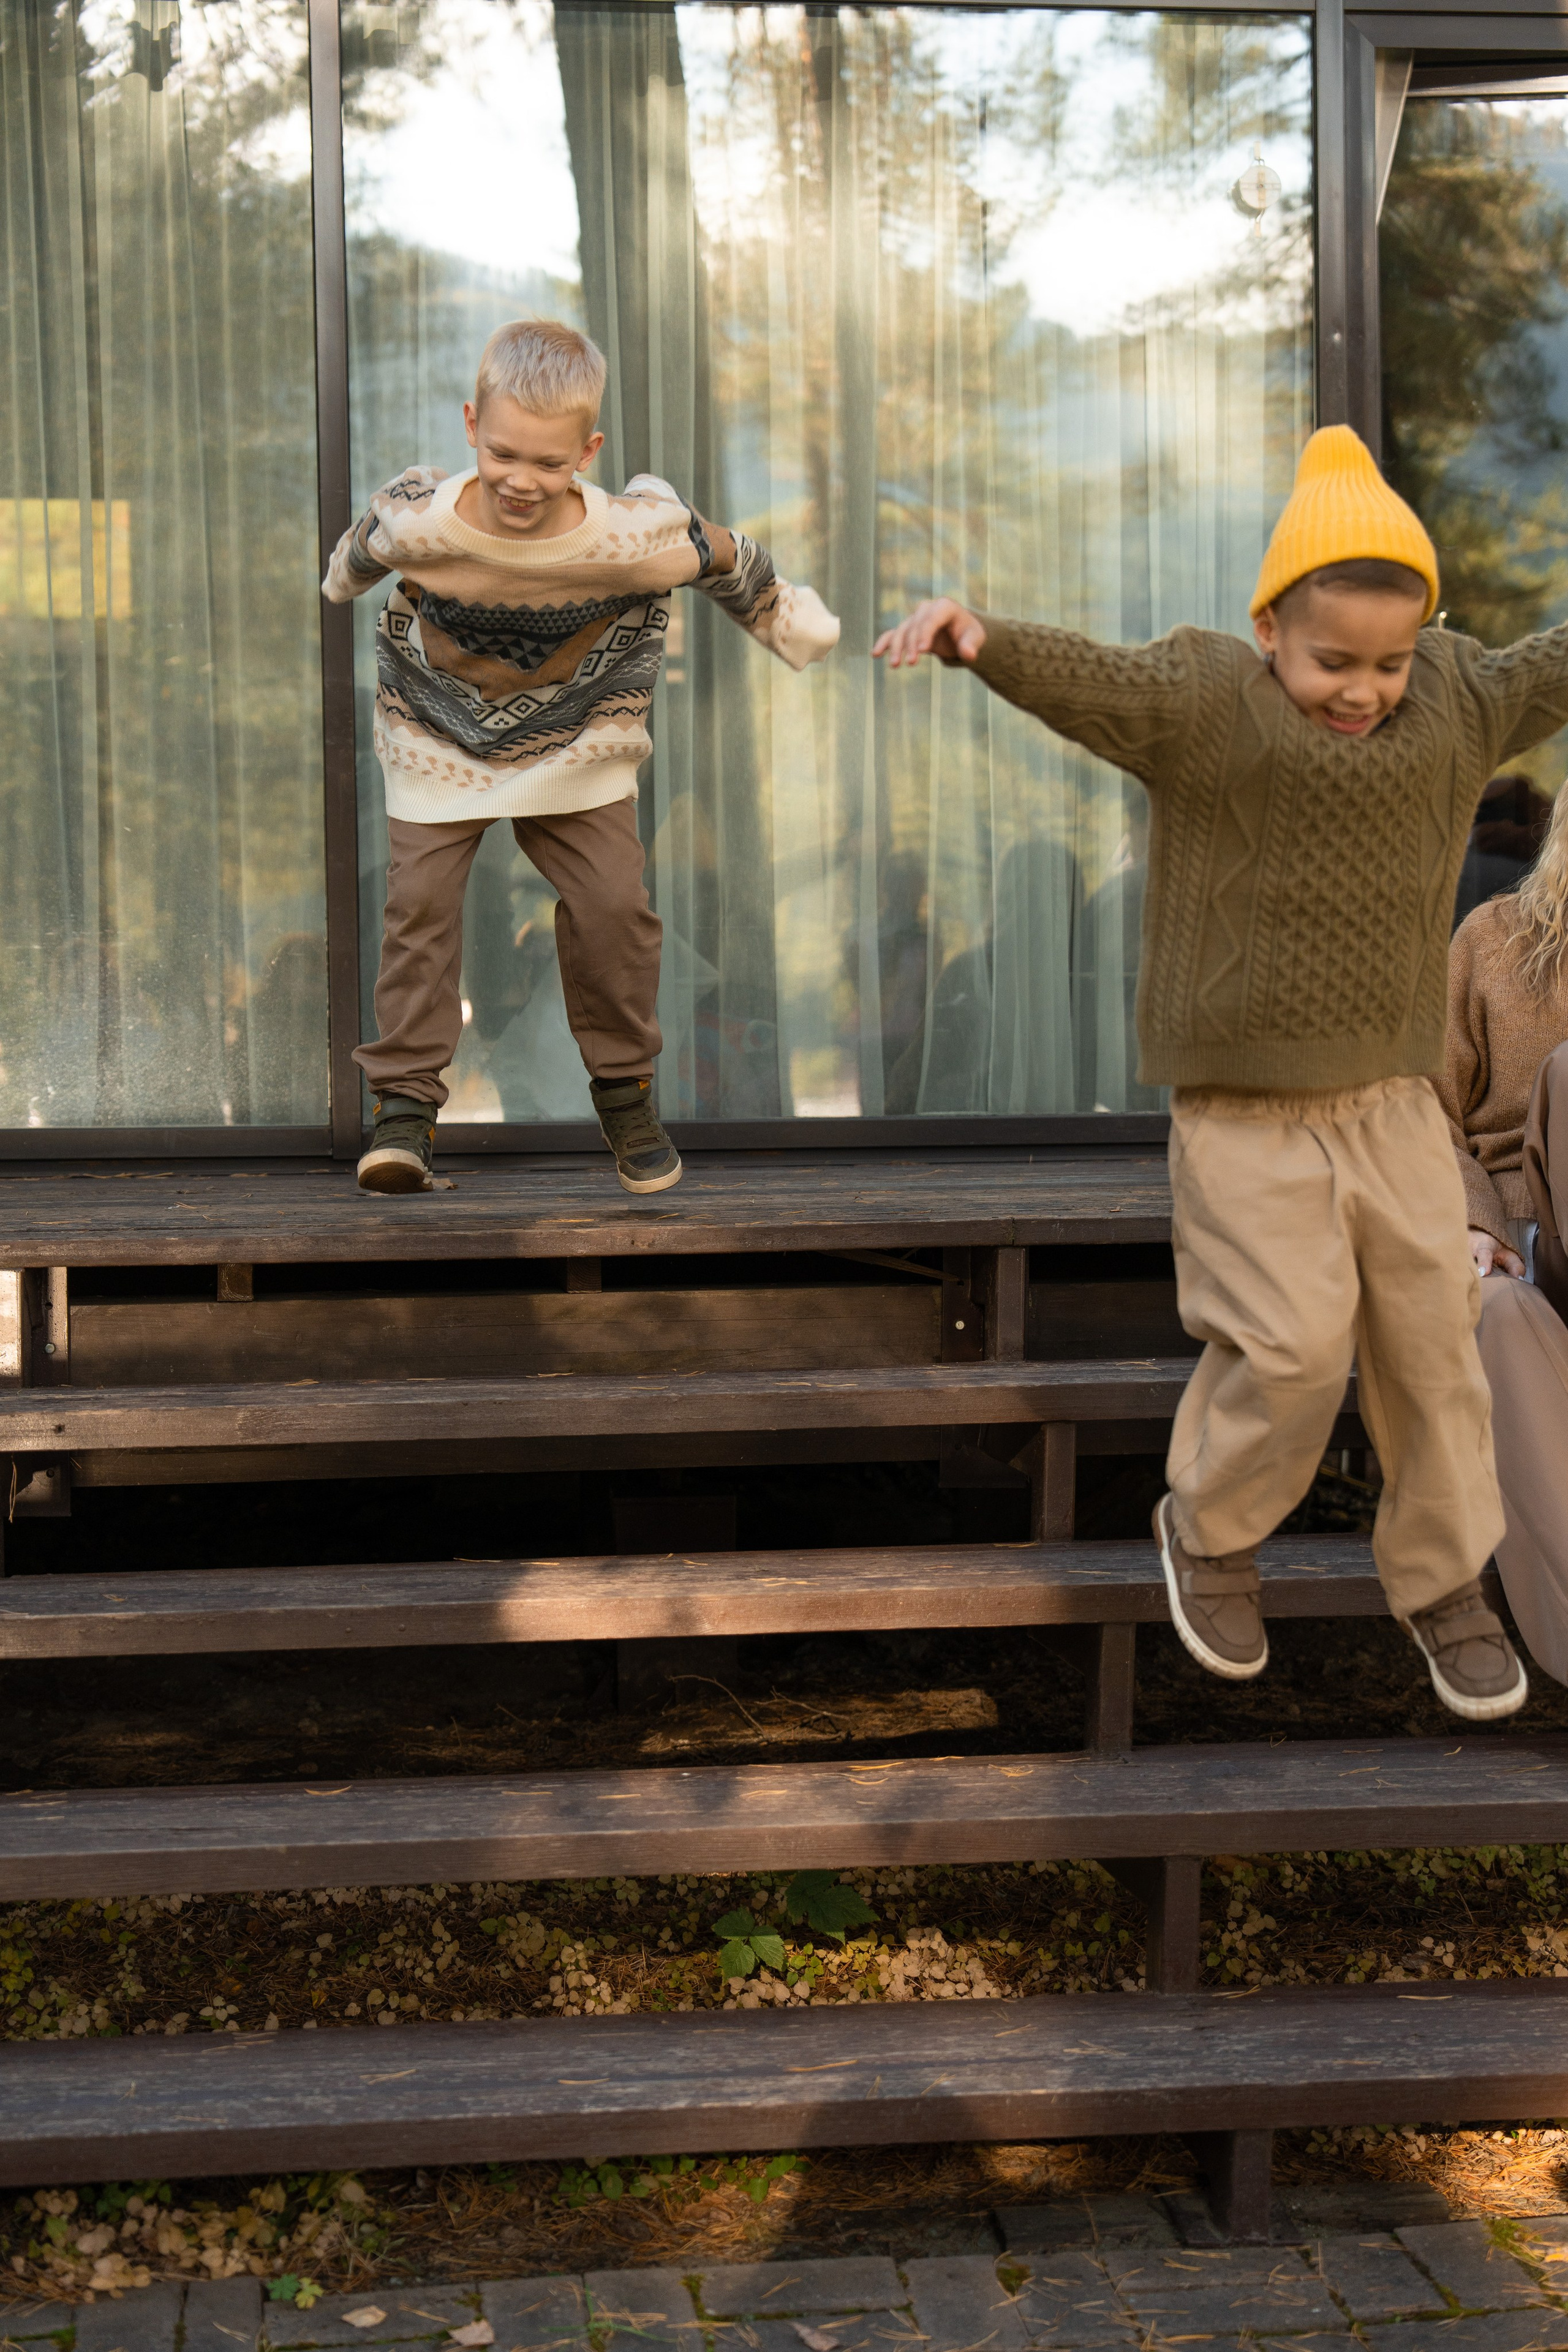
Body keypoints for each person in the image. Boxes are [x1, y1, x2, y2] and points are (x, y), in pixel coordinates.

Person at [872, 423, 1568, 1722]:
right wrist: (981, 639)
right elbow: (1098, 684)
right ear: (1265, 629)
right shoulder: (1205, 705)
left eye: (1386, 661)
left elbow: (1549, 661)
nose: (1361, 689)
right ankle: (1207, 1528)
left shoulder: (1457, 701)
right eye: (1328, 662)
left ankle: (1439, 1581)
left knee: (1433, 1348)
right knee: (1293, 1348)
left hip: (1389, 1106)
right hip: (1245, 1119)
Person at [323, 318, 839, 1195]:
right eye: (503, 454)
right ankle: (405, 1109)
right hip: (437, 734)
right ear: (470, 427)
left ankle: (625, 1090)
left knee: (613, 910)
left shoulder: (631, 535)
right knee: (419, 909)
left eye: (551, 464)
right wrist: (352, 561)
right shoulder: (422, 521)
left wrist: (791, 621)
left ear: (588, 451)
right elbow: (350, 562)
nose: (522, 481)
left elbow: (725, 558)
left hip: (579, 737)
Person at [1439, 788, 1568, 1680]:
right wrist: (1473, 1220)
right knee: (1495, 1317)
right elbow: (1421, 1106)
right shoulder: (1490, 938)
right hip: (1526, 1235)